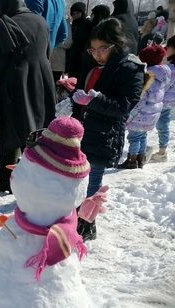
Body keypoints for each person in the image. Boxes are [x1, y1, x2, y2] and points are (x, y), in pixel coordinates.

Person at [72, 18, 144, 240]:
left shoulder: (130, 68)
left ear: (116, 44)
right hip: (85, 131)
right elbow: (87, 94)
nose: (96, 54)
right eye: (92, 49)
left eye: (102, 48)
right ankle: (77, 221)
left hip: (105, 135)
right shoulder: (97, 65)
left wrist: (93, 101)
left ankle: (86, 226)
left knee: (92, 182)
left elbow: (124, 106)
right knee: (79, 180)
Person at [0, 0, 56, 194]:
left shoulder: (7, 24)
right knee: (39, 128)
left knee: (10, 130)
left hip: (15, 83)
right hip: (42, 79)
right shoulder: (40, 20)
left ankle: (8, 181)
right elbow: (47, 51)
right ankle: (38, 178)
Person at [119, 45, 170, 169]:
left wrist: (130, 114)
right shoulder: (163, 76)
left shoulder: (146, 76)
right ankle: (141, 159)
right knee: (142, 135)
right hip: (152, 114)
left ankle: (132, 160)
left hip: (141, 114)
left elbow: (140, 99)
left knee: (134, 137)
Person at [152, 35, 175, 162]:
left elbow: (164, 85)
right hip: (169, 101)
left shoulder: (170, 68)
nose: (167, 49)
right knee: (163, 124)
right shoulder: (170, 66)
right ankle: (162, 149)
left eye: (169, 46)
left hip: (164, 101)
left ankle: (162, 151)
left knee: (162, 125)